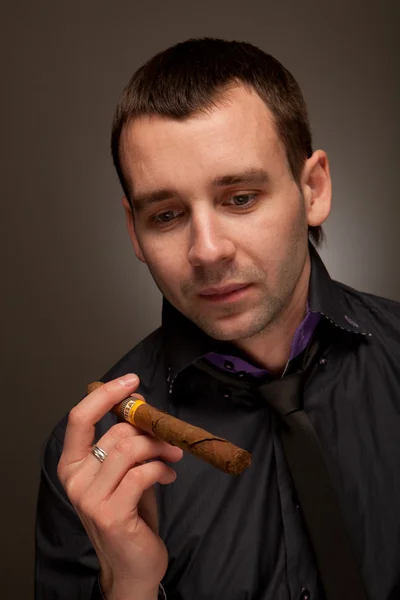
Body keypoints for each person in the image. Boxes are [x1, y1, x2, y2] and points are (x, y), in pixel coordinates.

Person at [34, 38, 400, 600]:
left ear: (313, 189)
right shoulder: (95, 458)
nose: (206, 250)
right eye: (168, 214)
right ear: (135, 232)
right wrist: (128, 584)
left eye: (241, 198)